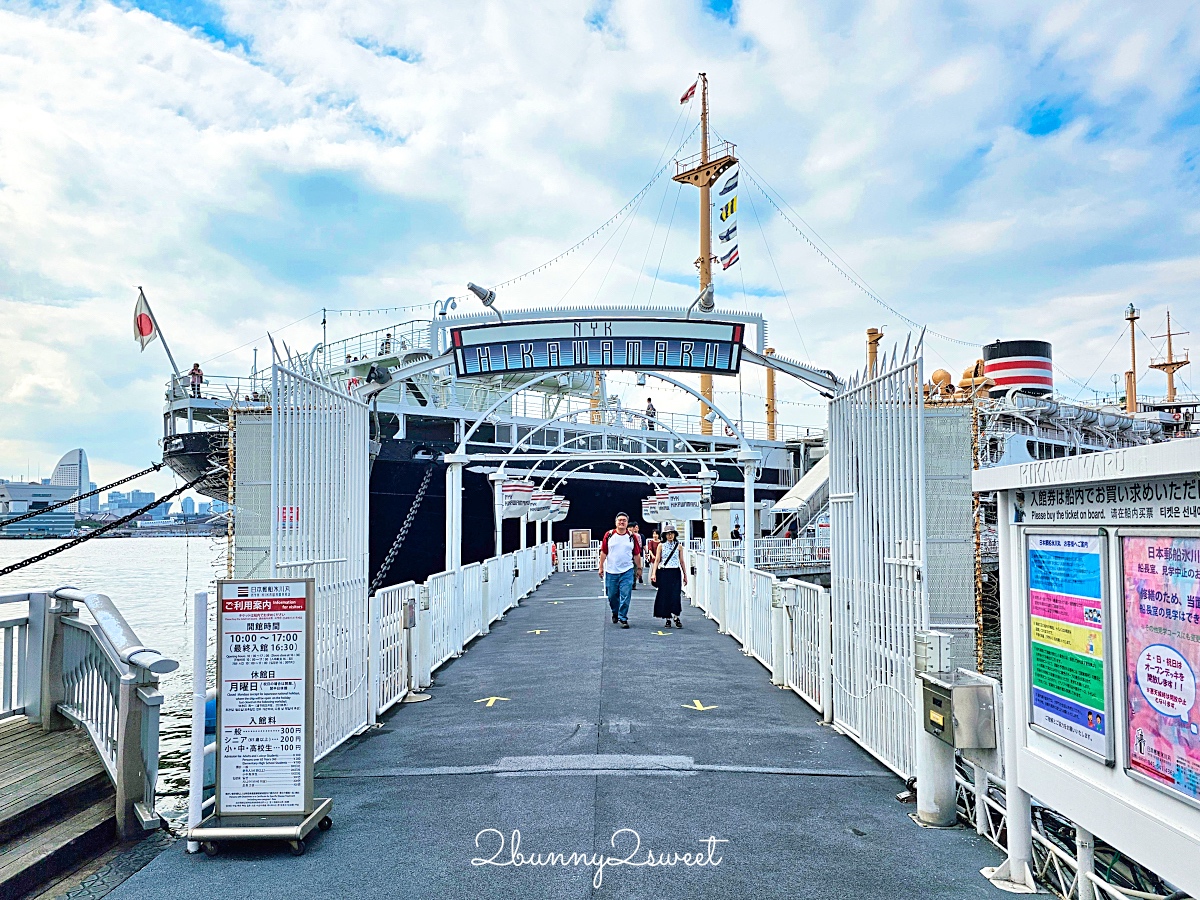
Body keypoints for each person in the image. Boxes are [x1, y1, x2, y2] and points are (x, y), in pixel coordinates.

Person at [598, 512, 641, 628]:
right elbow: (604, 552)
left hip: (627, 570)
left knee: (626, 594)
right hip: (611, 571)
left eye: (624, 520)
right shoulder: (609, 535)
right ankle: (615, 611)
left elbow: (637, 554)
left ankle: (623, 617)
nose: (622, 522)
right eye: (619, 520)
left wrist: (640, 568)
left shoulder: (632, 537)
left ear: (627, 523)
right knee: (612, 595)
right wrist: (601, 567)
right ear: (616, 522)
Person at [652, 526, 687, 629]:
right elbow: (657, 560)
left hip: (675, 572)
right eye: (668, 534)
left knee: (676, 595)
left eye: (672, 533)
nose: (670, 535)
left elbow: (682, 561)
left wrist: (685, 575)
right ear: (665, 535)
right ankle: (667, 618)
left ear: (675, 534)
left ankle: (676, 616)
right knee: (665, 595)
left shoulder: (679, 546)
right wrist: (653, 573)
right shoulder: (661, 546)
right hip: (664, 572)